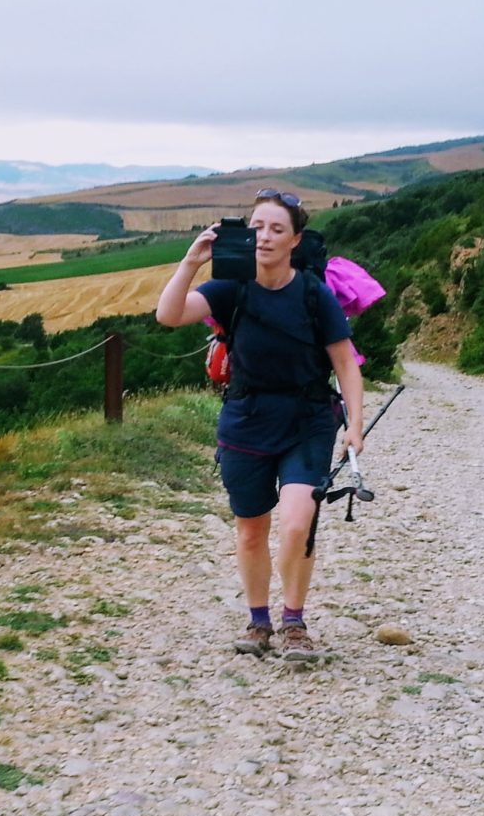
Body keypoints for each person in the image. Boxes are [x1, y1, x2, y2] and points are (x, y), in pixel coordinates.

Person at [155, 189, 365, 661]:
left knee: (297, 522)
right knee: (251, 529)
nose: (264, 236)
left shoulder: (314, 294)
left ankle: (294, 621)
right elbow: (168, 315)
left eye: (276, 229)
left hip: (307, 420)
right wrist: (192, 261)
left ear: (295, 240)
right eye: (256, 227)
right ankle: (258, 621)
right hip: (246, 420)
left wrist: (355, 425)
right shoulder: (229, 287)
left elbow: (346, 364)